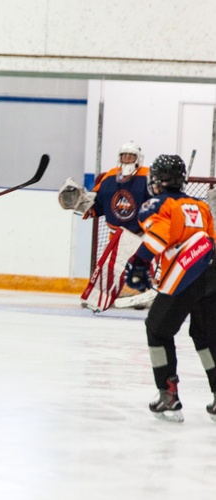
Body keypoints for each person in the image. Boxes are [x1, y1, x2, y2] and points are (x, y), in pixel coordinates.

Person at [123, 154, 216, 423]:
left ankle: (168, 394)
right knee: (206, 334)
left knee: (157, 328)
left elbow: (157, 237)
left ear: (158, 181)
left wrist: (138, 264)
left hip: (188, 274)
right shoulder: (201, 205)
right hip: (211, 272)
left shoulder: (157, 204)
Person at [58, 140, 152, 311]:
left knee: (140, 265)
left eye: (131, 156)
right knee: (109, 267)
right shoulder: (110, 177)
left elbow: (158, 202)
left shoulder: (147, 176)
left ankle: (141, 295)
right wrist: (79, 201)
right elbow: (97, 201)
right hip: (116, 235)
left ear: (138, 158)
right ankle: (99, 296)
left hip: (142, 234)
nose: (128, 159)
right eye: (125, 156)